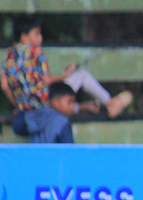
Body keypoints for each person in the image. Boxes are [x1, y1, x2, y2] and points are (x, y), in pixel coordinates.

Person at [2, 18, 132, 123]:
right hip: (44, 103)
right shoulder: (36, 52)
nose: (40, 37)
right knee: (82, 75)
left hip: (26, 107)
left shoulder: (8, 56)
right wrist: (66, 74)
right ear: (24, 37)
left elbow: (4, 86)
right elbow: (46, 80)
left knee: (60, 96)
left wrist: (20, 106)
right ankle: (110, 103)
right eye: (36, 33)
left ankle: (87, 106)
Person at [8, 81, 76, 143]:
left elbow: (18, 128)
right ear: (55, 102)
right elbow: (69, 150)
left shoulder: (36, 114)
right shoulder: (63, 121)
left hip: (35, 155)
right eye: (70, 102)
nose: (73, 106)